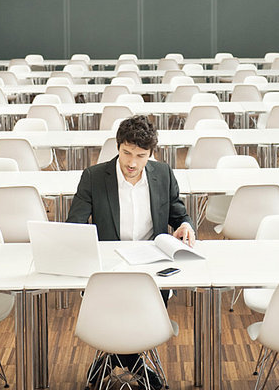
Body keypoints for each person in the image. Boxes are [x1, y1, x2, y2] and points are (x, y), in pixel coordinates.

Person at [66, 115, 195, 388]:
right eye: (126, 153)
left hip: (153, 271)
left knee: (139, 308)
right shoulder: (93, 177)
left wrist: (185, 225)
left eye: (141, 155)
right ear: (118, 147)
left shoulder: (164, 174)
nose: (132, 163)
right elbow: (74, 228)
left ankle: (111, 360)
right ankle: (135, 364)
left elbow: (178, 212)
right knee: (123, 311)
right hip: (107, 272)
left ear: (151, 153)